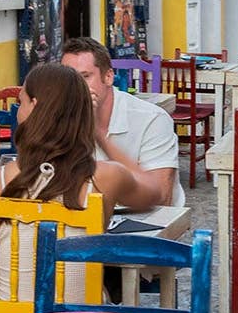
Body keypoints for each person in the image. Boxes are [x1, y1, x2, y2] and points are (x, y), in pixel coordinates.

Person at [0, 63, 165, 301]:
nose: (18, 111)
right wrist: (99, 135)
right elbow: (154, 191)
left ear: (34, 108)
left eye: (21, 102)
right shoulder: (107, 177)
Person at [59, 37, 185, 207]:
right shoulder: (61, 117)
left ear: (109, 76)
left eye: (85, 77)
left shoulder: (152, 119)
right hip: (86, 219)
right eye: (69, 80)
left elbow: (161, 197)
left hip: (145, 221)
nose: (76, 87)